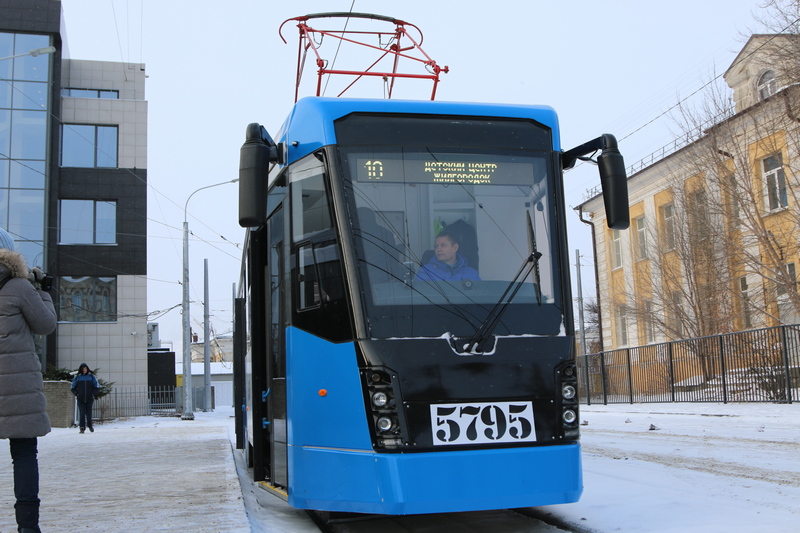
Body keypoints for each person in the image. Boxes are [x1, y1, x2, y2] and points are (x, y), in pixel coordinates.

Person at [0, 227, 57, 533]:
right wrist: (43, 290)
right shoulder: (20, 287)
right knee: (23, 454)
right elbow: (45, 325)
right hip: (17, 386)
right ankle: (28, 527)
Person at [415, 229, 481, 281]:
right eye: (436, 246)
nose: (438, 249)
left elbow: (481, 293)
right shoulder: (426, 272)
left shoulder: (471, 273)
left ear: (455, 248)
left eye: (443, 245)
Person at [71, 363, 100, 433]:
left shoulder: (91, 377)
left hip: (89, 398)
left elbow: (97, 386)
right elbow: (72, 387)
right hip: (80, 398)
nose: (84, 370)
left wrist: (93, 393)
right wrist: (77, 393)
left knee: (89, 413)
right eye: (83, 369)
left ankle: (89, 425)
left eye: (85, 368)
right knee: (82, 413)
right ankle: (82, 427)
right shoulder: (77, 377)